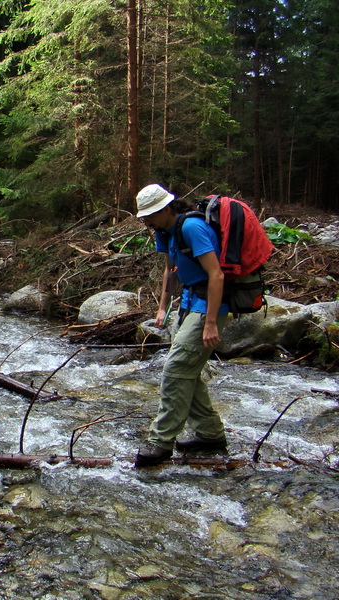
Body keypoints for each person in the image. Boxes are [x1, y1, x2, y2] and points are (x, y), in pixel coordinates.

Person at [134, 183, 230, 467]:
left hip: (207, 306)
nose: (146, 221)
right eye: (144, 217)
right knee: (189, 371)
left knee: (175, 369)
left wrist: (211, 322)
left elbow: (217, 275)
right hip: (187, 304)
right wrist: (163, 306)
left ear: (166, 208)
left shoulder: (191, 228)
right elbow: (169, 269)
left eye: (150, 215)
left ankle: (161, 441)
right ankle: (210, 435)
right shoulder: (164, 231)